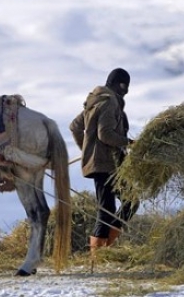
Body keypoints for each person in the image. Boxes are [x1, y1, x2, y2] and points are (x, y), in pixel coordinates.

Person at [69, 67, 139, 254]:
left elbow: (75, 127)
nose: (126, 91)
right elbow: (105, 134)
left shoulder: (93, 102)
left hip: (103, 163)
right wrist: (128, 142)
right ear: (118, 85)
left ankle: (104, 250)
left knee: (126, 203)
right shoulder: (110, 102)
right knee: (110, 208)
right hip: (107, 163)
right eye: (125, 86)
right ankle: (98, 254)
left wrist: (87, 150)